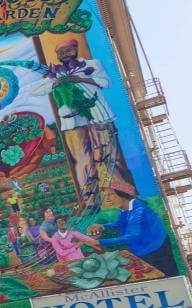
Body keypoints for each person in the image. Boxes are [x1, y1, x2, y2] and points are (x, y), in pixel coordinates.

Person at [36, 39, 136, 204]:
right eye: (60, 53)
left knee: (110, 154)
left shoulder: (92, 64)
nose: (64, 55)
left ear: (75, 49)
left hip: (98, 115)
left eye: (68, 50)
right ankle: (91, 198)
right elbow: (38, 90)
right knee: (83, 159)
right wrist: (55, 81)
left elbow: (106, 82)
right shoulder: (57, 73)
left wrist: (81, 79)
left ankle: (125, 193)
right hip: (72, 122)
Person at [88, 191, 176, 275]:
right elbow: (119, 223)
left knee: (164, 276)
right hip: (143, 250)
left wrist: (99, 242)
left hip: (155, 250)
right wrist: (102, 226)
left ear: (123, 194)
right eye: (106, 195)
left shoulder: (138, 209)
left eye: (111, 194)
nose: (107, 199)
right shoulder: (125, 209)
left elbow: (132, 235)